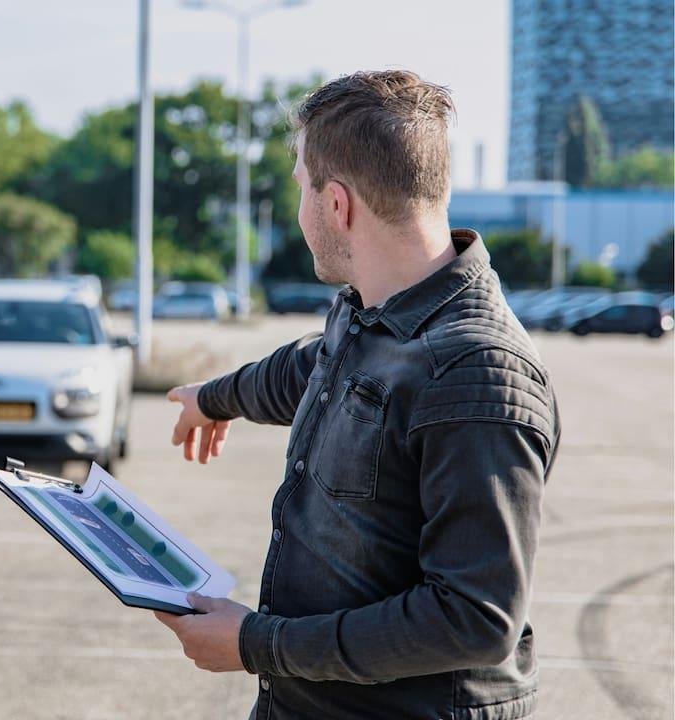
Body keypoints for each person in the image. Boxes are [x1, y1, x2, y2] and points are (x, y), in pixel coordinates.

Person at [156, 70, 560, 720]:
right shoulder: (372, 311)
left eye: (300, 190)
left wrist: (257, 643)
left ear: (337, 204)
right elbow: (314, 370)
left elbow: (474, 619)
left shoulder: (478, 372)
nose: (299, 209)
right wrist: (217, 395)